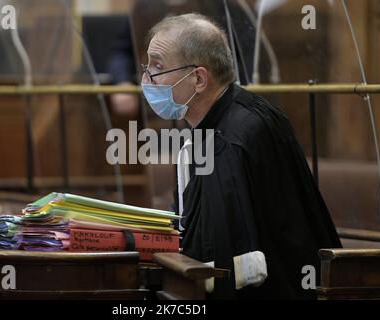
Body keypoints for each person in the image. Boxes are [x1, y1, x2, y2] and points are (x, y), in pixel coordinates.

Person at [141, 13, 341, 299]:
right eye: (147, 66)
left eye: (157, 67)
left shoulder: (233, 138)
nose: (146, 78)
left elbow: (226, 264)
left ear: (198, 79)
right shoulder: (231, 114)